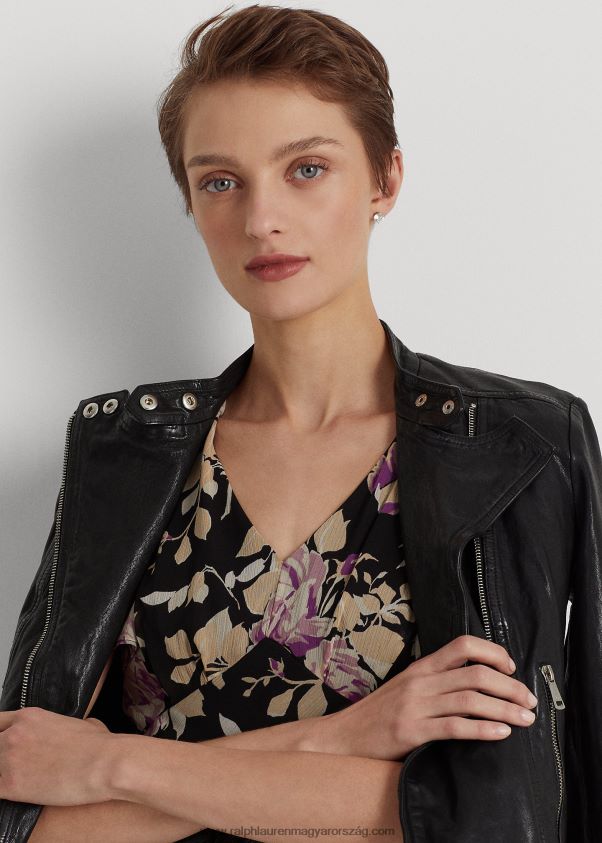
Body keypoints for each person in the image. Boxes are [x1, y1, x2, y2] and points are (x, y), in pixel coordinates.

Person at [1, 5, 600, 842]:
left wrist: (112, 768)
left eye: (306, 169)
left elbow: (504, 810)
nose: (260, 219)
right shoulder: (121, 450)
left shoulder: (523, 445)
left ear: (385, 179)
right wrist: (351, 738)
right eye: (220, 181)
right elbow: (27, 800)